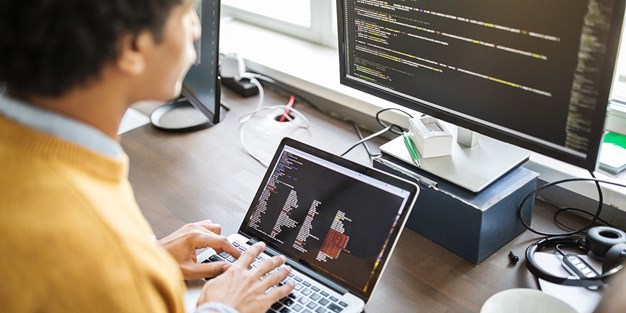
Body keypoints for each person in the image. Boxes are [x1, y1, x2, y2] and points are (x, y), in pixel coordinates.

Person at [0, 0, 294, 312]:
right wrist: (223, 308)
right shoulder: (95, 245)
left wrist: (148, 256)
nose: (196, 30)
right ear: (132, 48)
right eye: (185, 16)